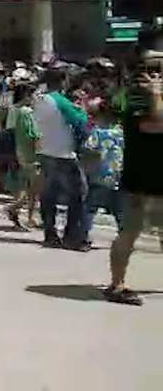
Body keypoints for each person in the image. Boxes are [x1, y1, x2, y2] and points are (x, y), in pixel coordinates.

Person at [104, 26, 163, 306]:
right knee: (129, 231)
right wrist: (156, 96)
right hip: (142, 174)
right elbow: (152, 126)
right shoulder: (143, 85)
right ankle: (116, 285)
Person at [33, 69, 89, 250]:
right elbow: (81, 121)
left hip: (45, 151)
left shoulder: (39, 99)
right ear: (63, 81)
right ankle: (73, 236)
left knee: (49, 196)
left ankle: (50, 234)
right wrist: (83, 110)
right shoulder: (60, 101)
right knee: (78, 194)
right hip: (64, 154)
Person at [82, 98, 124, 233]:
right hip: (117, 175)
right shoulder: (121, 133)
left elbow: (88, 149)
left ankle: (83, 236)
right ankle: (125, 237)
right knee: (119, 210)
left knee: (90, 208)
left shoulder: (98, 133)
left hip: (99, 176)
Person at [5, 83, 41, 230]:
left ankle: (29, 215)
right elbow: (29, 135)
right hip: (28, 153)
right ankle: (15, 208)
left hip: (23, 152)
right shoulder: (24, 112)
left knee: (32, 187)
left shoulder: (27, 111)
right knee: (33, 185)